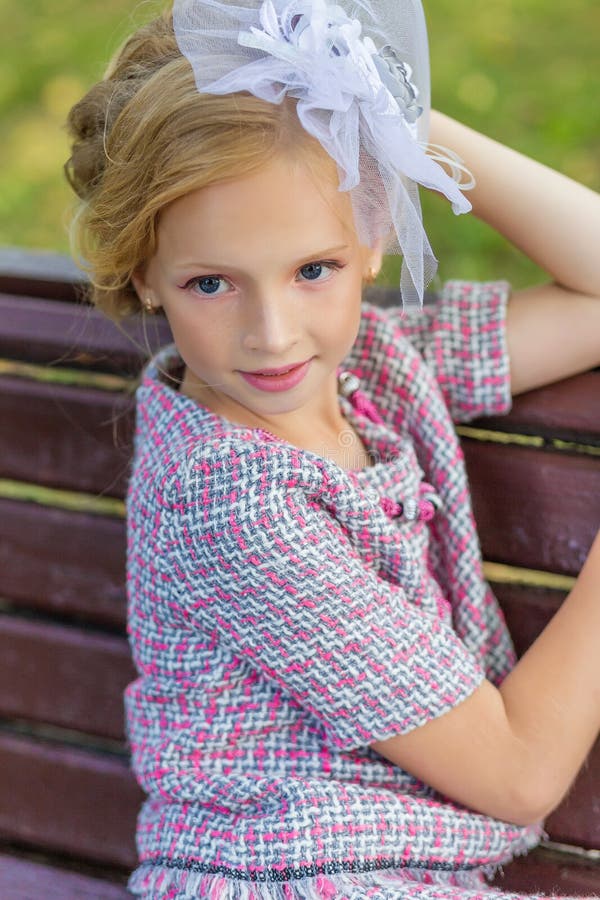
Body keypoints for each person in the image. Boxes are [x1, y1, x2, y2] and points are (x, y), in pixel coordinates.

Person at [64, 0, 600, 896]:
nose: (273, 336)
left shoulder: (378, 370)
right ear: (142, 272)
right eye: (211, 283)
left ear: (375, 236)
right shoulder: (230, 500)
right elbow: (518, 775)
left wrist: (392, 114)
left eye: (315, 269)